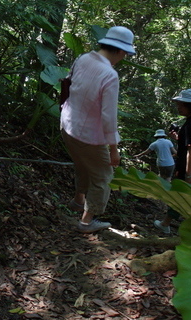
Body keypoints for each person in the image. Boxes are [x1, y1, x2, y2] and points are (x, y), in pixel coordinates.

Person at [60, 26, 135, 233]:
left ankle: (77, 201)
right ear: (120, 51)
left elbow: (68, 83)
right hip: (89, 136)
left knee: (82, 164)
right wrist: (114, 148)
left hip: (68, 125)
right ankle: (86, 221)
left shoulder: (83, 58)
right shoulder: (109, 74)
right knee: (103, 176)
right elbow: (108, 116)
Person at [154, 89, 191, 235]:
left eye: (181, 105)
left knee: (180, 197)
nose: (178, 107)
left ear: (189, 105)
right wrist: (177, 138)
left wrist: (188, 174)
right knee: (187, 198)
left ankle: (167, 225)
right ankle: (176, 226)